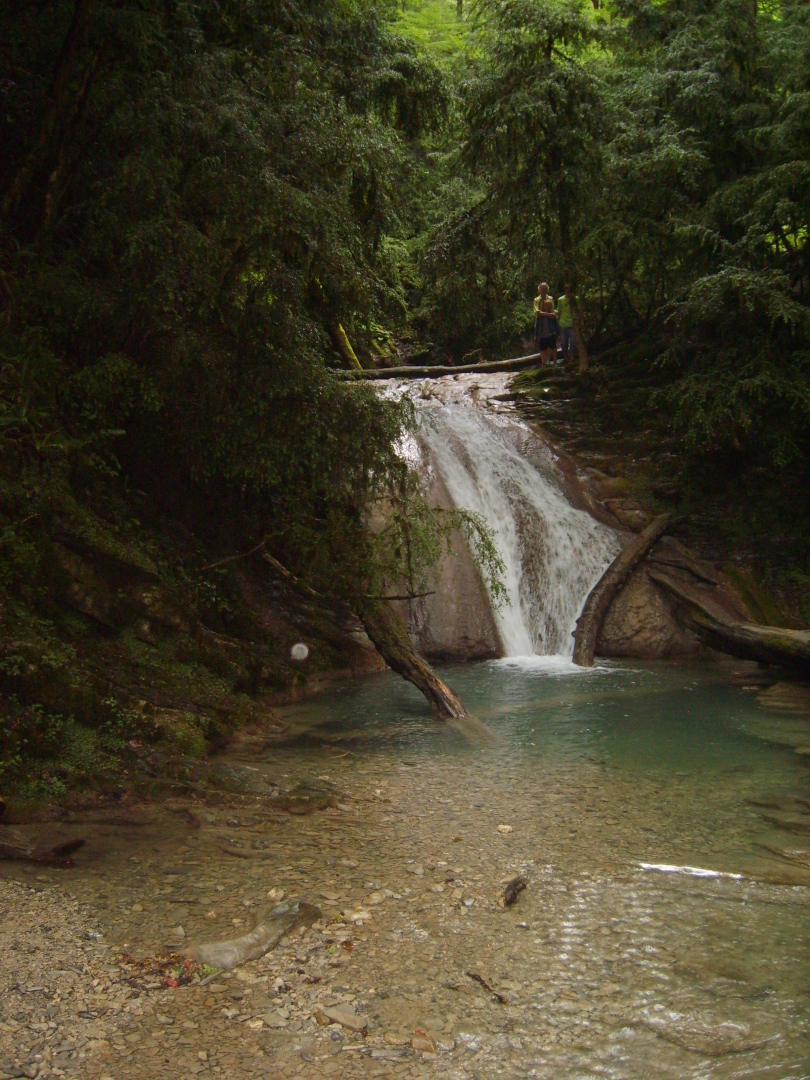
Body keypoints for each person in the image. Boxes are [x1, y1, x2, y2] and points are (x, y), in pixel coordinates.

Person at [533, 282, 557, 365]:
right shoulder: (536, 300)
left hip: (550, 323)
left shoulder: (550, 298)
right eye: (542, 289)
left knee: (552, 343)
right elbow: (537, 312)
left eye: (545, 289)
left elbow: (553, 309)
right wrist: (548, 314)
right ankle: (544, 363)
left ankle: (554, 362)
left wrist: (555, 313)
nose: (544, 291)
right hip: (540, 323)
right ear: (539, 290)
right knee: (542, 344)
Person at [556, 282, 577, 364]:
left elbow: (580, 310)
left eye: (569, 289)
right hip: (563, 323)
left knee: (573, 342)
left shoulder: (575, 299)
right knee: (564, 343)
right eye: (566, 289)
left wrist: (581, 321)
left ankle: (572, 358)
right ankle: (566, 357)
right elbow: (559, 311)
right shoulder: (560, 300)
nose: (567, 290)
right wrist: (558, 322)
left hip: (573, 324)